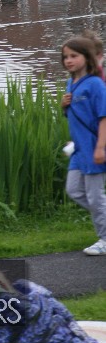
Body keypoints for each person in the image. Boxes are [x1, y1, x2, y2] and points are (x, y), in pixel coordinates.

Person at [61, 35, 106, 255]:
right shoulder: (70, 83)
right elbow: (74, 114)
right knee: (74, 190)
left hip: (93, 147)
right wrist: (64, 106)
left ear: (87, 57)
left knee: (96, 197)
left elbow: (103, 117)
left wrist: (100, 147)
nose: (68, 60)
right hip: (78, 150)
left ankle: (105, 239)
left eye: (74, 56)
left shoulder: (95, 84)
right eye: (65, 57)